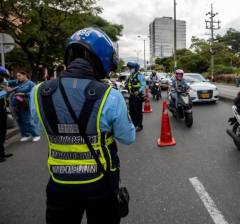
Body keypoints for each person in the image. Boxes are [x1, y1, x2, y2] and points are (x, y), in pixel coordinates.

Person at [30, 27, 135, 224]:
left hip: (59, 183)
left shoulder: (38, 92)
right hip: (101, 182)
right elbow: (128, 138)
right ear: (102, 58)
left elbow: (36, 130)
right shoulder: (109, 95)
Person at [6, 71, 40, 142]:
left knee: (27, 121)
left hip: (25, 104)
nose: (18, 78)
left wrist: (24, 94)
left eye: (19, 76)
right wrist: (7, 86)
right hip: (16, 105)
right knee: (20, 121)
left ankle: (36, 135)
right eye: (17, 76)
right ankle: (25, 135)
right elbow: (6, 82)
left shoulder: (30, 83)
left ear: (24, 75)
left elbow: (34, 92)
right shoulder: (17, 82)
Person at [126, 62, 146, 132]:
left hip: (138, 96)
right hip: (131, 95)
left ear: (135, 68)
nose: (130, 69)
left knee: (138, 111)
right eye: (130, 68)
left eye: (131, 68)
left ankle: (139, 125)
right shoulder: (131, 76)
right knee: (132, 111)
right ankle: (134, 124)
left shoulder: (140, 75)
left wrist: (139, 91)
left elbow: (143, 85)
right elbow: (128, 84)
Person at [0, 66, 13, 162]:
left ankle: (2, 153)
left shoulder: (2, 83)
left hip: (2, 109)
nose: (3, 78)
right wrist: (5, 91)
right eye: (3, 76)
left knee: (2, 131)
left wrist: (7, 92)